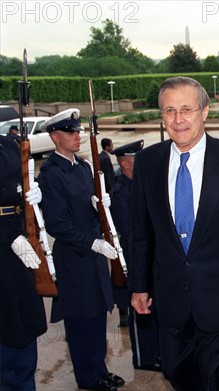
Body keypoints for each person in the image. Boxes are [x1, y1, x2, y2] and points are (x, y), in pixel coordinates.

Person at [129, 76, 219, 391]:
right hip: (169, 295)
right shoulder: (147, 162)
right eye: (169, 111)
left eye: (186, 109)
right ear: (161, 116)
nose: (178, 120)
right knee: (176, 371)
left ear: (205, 111)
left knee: (213, 374)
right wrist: (139, 286)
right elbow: (141, 232)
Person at [37, 109, 124, 391]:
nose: (78, 137)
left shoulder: (84, 167)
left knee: (98, 314)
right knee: (80, 320)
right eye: (71, 133)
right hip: (75, 257)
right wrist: (91, 242)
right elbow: (57, 224)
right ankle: (87, 377)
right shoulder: (51, 174)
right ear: (55, 137)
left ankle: (99, 368)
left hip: (94, 254)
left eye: (78, 132)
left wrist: (101, 204)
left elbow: (89, 208)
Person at [109, 140, 162, 372]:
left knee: (153, 307)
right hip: (136, 259)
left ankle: (157, 352)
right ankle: (143, 358)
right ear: (126, 165)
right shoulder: (121, 192)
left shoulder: (142, 186)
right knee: (140, 309)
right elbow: (131, 231)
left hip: (153, 256)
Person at [0, 134, 47, 390]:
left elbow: (23, 181)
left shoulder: (9, 144)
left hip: (22, 238)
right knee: (6, 326)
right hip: (6, 244)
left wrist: (34, 191)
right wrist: (8, 238)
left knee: (26, 321)